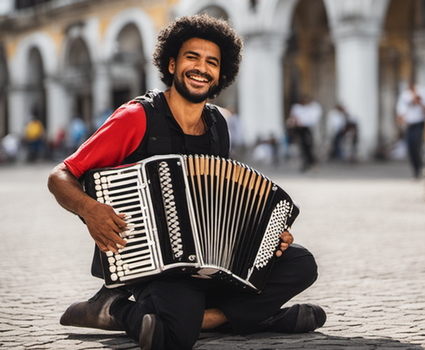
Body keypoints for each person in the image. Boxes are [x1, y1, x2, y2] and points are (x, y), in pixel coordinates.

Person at [47, 14, 325, 350]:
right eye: (192, 57)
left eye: (212, 62)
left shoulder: (217, 126)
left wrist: (264, 236)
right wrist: (90, 210)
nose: (201, 68)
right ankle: (115, 306)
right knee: (175, 338)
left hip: (207, 265)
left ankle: (209, 319)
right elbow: (60, 176)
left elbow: (220, 204)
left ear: (221, 74)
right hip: (150, 264)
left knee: (301, 264)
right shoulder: (137, 117)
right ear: (172, 63)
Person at [396, 80, 425, 179]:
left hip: (419, 124)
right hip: (409, 125)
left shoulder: (424, 94)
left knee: (418, 145)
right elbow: (400, 112)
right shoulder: (405, 96)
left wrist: (419, 102)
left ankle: (422, 167)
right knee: (411, 147)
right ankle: (416, 169)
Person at [287, 95, 322, 171]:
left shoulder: (311, 108)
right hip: (300, 130)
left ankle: (310, 163)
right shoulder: (297, 108)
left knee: (308, 147)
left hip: (308, 129)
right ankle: (307, 163)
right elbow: (293, 117)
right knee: (303, 147)